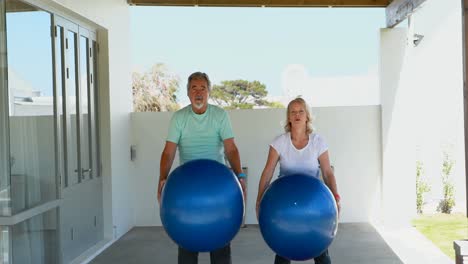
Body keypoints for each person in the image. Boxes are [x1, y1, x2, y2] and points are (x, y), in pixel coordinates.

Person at [157, 71, 246, 264]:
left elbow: (231, 149)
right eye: (194, 88)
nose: (198, 93)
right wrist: (162, 180)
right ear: (188, 93)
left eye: (202, 88)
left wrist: (240, 176)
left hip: (218, 187)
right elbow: (168, 152)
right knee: (187, 242)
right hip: (187, 188)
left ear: (209, 92)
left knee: (220, 243)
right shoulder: (179, 118)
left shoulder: (220, 115)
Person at [255, 97, 340, 264]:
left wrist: (336, 198)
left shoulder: (318, 142)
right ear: (288, 117)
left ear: (307, 116)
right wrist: (259, 200)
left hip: (313, 202)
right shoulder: (279, 142)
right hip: (284, 203)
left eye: (301, 111)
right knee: (283, 249)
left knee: (321, 250)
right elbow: (267, 172)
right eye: (292, 112)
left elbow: (328, 172)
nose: (297, 115)